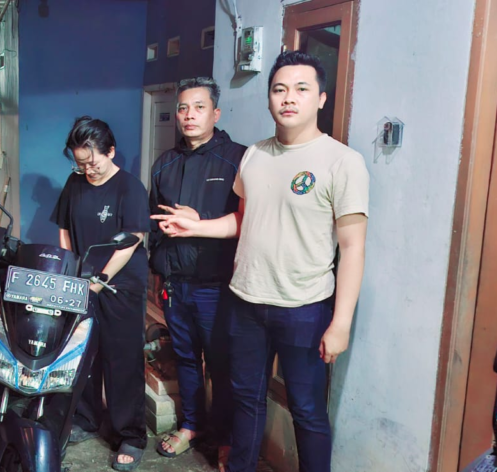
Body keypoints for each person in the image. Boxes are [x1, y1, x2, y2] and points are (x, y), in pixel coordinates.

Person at [153, 51, 369, 472]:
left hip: (303, 306)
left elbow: (353, 248)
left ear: (321, 98)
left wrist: (340, 323)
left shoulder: (342, 161)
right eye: (279, 89)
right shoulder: (254, 155)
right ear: (269, 98)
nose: (288, 98)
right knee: (246, 401)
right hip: (245, 302)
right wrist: (196, 226)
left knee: (307, 410)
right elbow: (242, 219)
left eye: (301, 89)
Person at [148, 77, 246, 461]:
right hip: (176, 284)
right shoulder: (165, 164)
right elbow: (154, 224)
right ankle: (192, 424)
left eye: (199, 107)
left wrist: (199, 221)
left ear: (215, 113)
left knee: (222, 364)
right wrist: (159, 273)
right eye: (183, 108)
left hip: (218, 286)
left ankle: (225, 437)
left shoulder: (237, 159)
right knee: (186, 359)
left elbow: (248, 221)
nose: (189, 115)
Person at [53, 116, 149, 471]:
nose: (87, 170)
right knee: (84, 354)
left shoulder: (129, 187)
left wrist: (100, 279)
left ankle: (130, 434)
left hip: (120, 285)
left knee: (121, 359)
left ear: (111, 151)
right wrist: (71, 268)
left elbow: (133, 238)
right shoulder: (75, 182)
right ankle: (87, 418)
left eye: (93, 162)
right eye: (80, 164)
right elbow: (64, 227)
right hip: (82, 281)